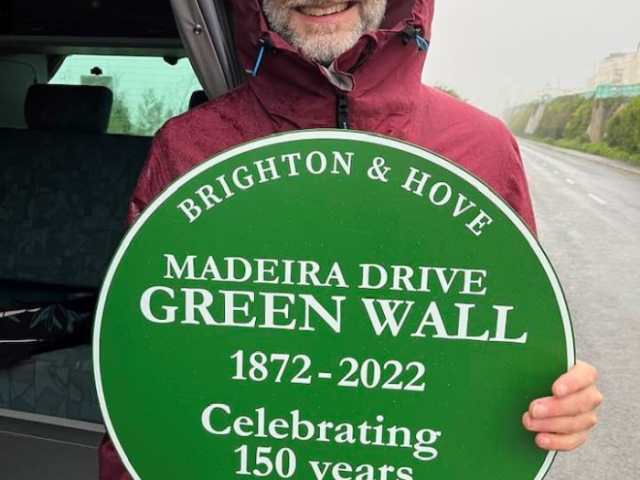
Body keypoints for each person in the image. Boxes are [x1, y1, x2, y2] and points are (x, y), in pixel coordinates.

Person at [100, 0, 602, 477]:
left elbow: (509, 339)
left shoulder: (482, 148)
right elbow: (140, 379)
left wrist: (554, 403)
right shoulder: (189, 147)